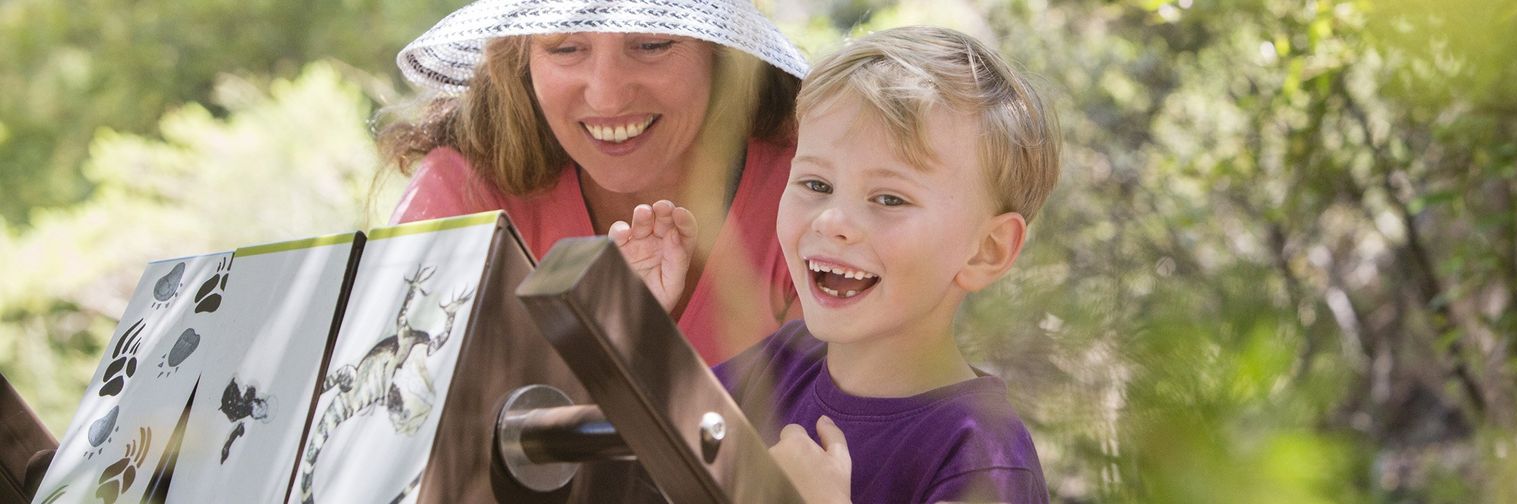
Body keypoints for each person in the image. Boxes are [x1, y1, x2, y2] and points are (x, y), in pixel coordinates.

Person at [612, 26, 1061, 503]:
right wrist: (639, 324)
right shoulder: (782, 362)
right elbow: (652, 449)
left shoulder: (981, 456)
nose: (832, 221)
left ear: (986, 249)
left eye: (889, 198)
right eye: (816, 185)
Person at [379, 0, 808, 364]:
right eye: (566, 48)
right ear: (521, 57)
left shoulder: (813, 187)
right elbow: (393, 429)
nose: (606, 96)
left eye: (652, 42)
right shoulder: (464, 192)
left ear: (722, 52)